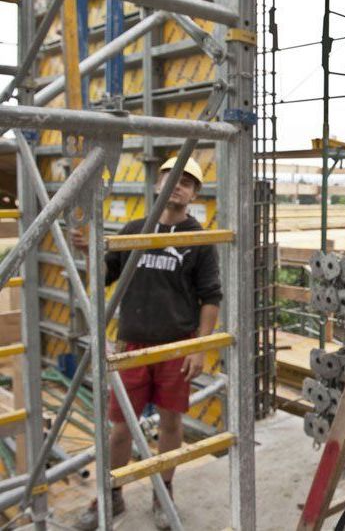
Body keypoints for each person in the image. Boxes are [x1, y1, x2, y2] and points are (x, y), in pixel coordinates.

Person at [71, 156, 222, 530]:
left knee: (171, 424)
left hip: (176, 348)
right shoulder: (134, 230)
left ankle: (163, 492)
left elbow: (211, 298)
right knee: (121, 426)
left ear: (194, 194)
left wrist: (199, 347)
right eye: (173, 178)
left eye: (188, 182)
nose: (179, 186)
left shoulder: (198, 240)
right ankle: (112, 496)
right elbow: (105, 277)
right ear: (158, 183)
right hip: (133, 346)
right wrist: (88, 251)